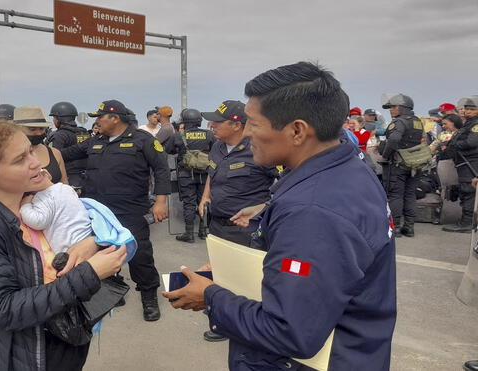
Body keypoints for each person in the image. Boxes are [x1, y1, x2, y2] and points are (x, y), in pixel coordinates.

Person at [164, 61, 397, 370]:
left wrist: (211, 297)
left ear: (297, 130)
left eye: (253, 124)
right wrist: (235, 273)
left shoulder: (312, 211)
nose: (247, 133)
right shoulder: (346, 168)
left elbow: (290, 333)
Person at [0, 120, 126, 370]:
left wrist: (91, 242)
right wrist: (89, 272)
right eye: (20, 160)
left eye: (30, 151)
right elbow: (3, 309)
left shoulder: (30, 204)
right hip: (19, 354)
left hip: (53, 338)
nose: (35, 162)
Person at [61, 99, 170, 322]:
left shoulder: (142, 140)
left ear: (115, 118)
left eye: (100, 117)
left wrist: (160, 202)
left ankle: (148, 297)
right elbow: (65, 154)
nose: (97, 121)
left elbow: (161, 170)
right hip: (99, 212)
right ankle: (114, 289)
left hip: (129, 209)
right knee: (103, 252)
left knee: (140, 255)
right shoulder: (96, 141)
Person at [196, 100, 277, 342]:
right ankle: (222, 315)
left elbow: (285, 186)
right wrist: (205, 197)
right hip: (218, 223)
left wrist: (263, 208)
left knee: (245, 280)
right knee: (221, 273)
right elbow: (212, 173)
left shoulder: (260, 150)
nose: (211, 125)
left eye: (217, 122)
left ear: (235, 124)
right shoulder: (218, 147)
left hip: (246, 228)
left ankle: (240, 327)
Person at [378, 93, 423, 238]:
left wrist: (384, 155)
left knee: (395, 195)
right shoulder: (417, 121)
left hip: (397, 164)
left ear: (403, 107)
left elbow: (394, 139)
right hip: (414, 164)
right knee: (410, 194)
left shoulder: (398, 122)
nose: (391, 110)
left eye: (393, 107)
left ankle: (395, 227)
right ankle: (409, 227)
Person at [173, 108, 215, 243]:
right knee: (203, 201)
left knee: (188, 203)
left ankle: (189, 233)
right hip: (204, 174)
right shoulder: (209, 135)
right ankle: (203, 231)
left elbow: (168, 149)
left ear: (185, 121)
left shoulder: (180, 135)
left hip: (186, 174)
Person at [442, 97, 478, 233]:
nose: (468, 111)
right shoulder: (469, 123)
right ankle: (466, 221)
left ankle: (466, 223)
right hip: (464, 162)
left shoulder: (475, 124)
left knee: (468, 191)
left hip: (471, 163)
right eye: (467, 109)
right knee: (466, 191)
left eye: (472, 109)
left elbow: (471, 142)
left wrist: (455, 145)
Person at [14, 106, 69, 185]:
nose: (38, 133)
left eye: (41, 128)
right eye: (32, 129)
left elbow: (64, 183)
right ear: (17, 129)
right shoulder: (8, 155)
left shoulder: (55, 153)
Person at [47, 101, 90, 188]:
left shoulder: (59, 135)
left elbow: (54, 158)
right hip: (86, 177)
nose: (53, 121)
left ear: (59, 119)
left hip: (68, 177)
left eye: (54, 118)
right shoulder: (84, 132)